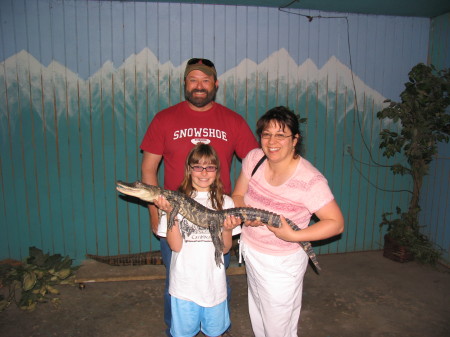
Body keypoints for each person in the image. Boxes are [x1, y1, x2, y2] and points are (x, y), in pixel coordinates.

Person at [140, 57, 258, 335]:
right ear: (185, 84)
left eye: (205, 80)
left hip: (217, 216)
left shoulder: (233, 120)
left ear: (215, 84)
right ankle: (179, 329)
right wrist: (155, 212)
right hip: (176, 216)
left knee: (216, 275)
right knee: (177, 278)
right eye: (193, 79)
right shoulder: (164, 119)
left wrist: (239, 196)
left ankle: (216, 327)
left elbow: (255, 163)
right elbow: (148, 169)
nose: (199, 86)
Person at [232, 106, 345, 337]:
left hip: (282, 262)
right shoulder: (254, 158)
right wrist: (245, 212)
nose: (272, 141)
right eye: (266, 134)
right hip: (251, 250)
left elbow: (336, 223)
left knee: (278, 325)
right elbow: (237, 195)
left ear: (295, 139)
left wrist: (293, 235)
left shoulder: (310, 180)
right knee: (259, 314)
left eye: (281, 135)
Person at [156, 143, 242, 337]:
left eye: (210, 167)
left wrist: (227, 230)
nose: (203, 172)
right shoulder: (172, 202)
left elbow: (226, 249)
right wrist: (171, 214)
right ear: (189, 169)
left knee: (216, 332)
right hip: (184, 286)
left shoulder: (225, 202)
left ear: (217, 170)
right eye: (197, 167)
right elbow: (175, 246)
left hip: (214, 285)